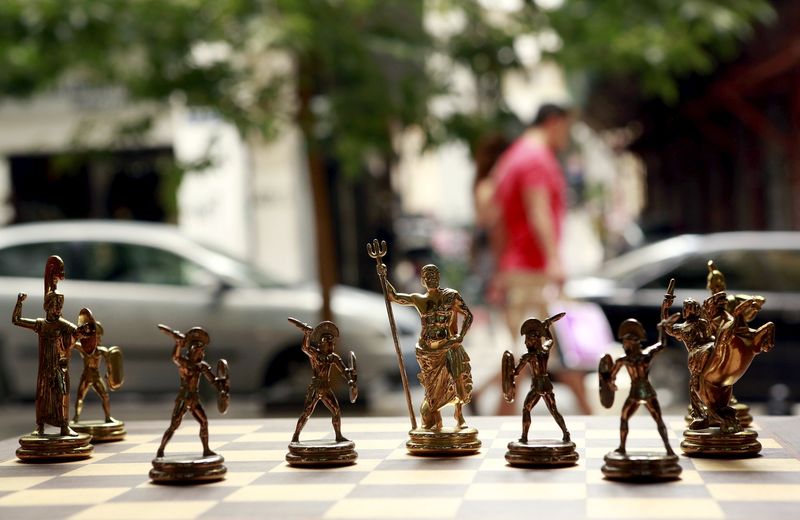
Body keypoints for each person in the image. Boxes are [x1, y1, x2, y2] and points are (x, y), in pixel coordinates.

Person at [491, 102, 591, 414]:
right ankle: (489, 416)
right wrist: (554, 259)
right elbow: (538, 210)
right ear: (553, 121)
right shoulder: (536, 158)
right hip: (532, 271)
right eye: (567, 127)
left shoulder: (513, 157)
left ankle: (590, 413)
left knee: (540, 351)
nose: (567, 135)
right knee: (531, 352)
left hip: (518, 268)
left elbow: (494, 216)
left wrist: (501, 266)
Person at [380, 263, 474, 430]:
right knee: (432, 389)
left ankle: (459, 414)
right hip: (427, 351)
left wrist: (460, 336)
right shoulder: (419, 300)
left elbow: (468, 315)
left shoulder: (450, 296)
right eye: (427, 277)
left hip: (447, 346)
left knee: (456, 379)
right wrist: (383, 276)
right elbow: (393, 296)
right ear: (422, 281)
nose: (431, 280)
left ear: (439, 278)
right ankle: (436, 421)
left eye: (434, 276)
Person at [13, 291, 93, 436]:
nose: (58, 308)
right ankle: (40, 426)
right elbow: (16, 320)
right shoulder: (41, 324)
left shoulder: (63, 324)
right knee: (43, 396)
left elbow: (75, 334)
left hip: (59, 366)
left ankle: (64, 425)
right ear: (48, 306)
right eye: (56, 305)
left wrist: (82, 333)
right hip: (44, 367)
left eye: (60, 305)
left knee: (62, 393)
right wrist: (19, 302)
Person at [605, 319, 674, 455]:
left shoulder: (630, 358)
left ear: (632, 343)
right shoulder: (635, 357)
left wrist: (662, 329)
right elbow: (611, 376)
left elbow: (611, 376)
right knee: (650, 419)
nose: (624, 345)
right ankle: (667, 448)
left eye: (626, 343)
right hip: (642, 392)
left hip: (638, 392)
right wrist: (610, 383)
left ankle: (668, 448)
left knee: (652, 419)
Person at [156, 326, 225, 458]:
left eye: (203, 352)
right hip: (183, 397)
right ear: (194, 351)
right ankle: (161, 449)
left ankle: (206, 449)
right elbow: (175, 357)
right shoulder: (184, 363)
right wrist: (177, 343)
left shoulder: (202, 366)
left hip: (194, 398)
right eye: (200, 352)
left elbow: (213, 381)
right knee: (174, 425)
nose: (202, 354)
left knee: (204, 422)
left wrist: (221, 388)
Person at [289, 320, 356, 443]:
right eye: (328, 344)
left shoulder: (333, 357)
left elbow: (343, 370)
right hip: (315, 387)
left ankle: (338, 435)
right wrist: (307, 334)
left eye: (332, 344)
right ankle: (296, 436)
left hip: (326, 388)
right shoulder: (315, 355)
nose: (331, 346)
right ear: (321, 344)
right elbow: (305, 347)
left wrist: (350, 379)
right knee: (307, 412)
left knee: (336, 411)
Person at [511, 317, 570, 443]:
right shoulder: (544, 352)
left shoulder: (528, 356)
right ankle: (566, 433)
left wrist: (511, 372)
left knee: (527, 409)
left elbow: (516, 372)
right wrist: (547, 327)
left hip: (538, 385)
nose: (526, 343)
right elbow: (550, 340)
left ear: (534, 340)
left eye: (528, 340)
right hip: (546, 384)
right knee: (553, 410)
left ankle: (525, 436)